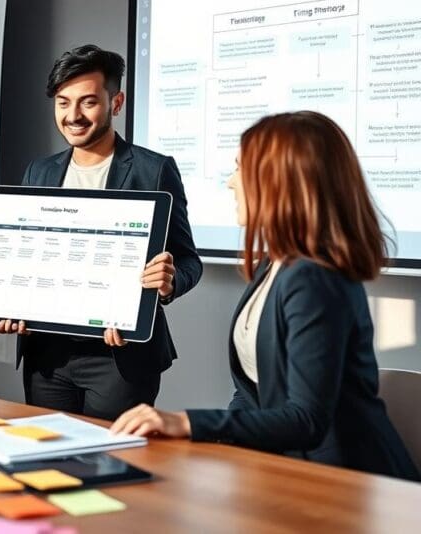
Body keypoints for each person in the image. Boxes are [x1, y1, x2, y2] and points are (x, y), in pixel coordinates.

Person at [111, 111, 420, 481]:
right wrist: (216, 444)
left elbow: (306, 419)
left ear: (279, 182)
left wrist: (188, 422)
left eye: (241, 168)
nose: (230, 183)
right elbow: (252, 390)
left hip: (347, 483)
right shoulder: (274, 263)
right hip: (288, 468)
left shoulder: (314, 278)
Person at [0, 45, 202, 420]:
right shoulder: (38, 172)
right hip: (47, 356)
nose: (73, 116)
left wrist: (170, 282)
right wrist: (13, 301)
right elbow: (25, 256)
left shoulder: (153, 170)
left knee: (110, 465)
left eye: (87, 102)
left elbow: (189, 260)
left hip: (120, 359)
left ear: (116, 102)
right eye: (63, 103)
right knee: (49, 461)